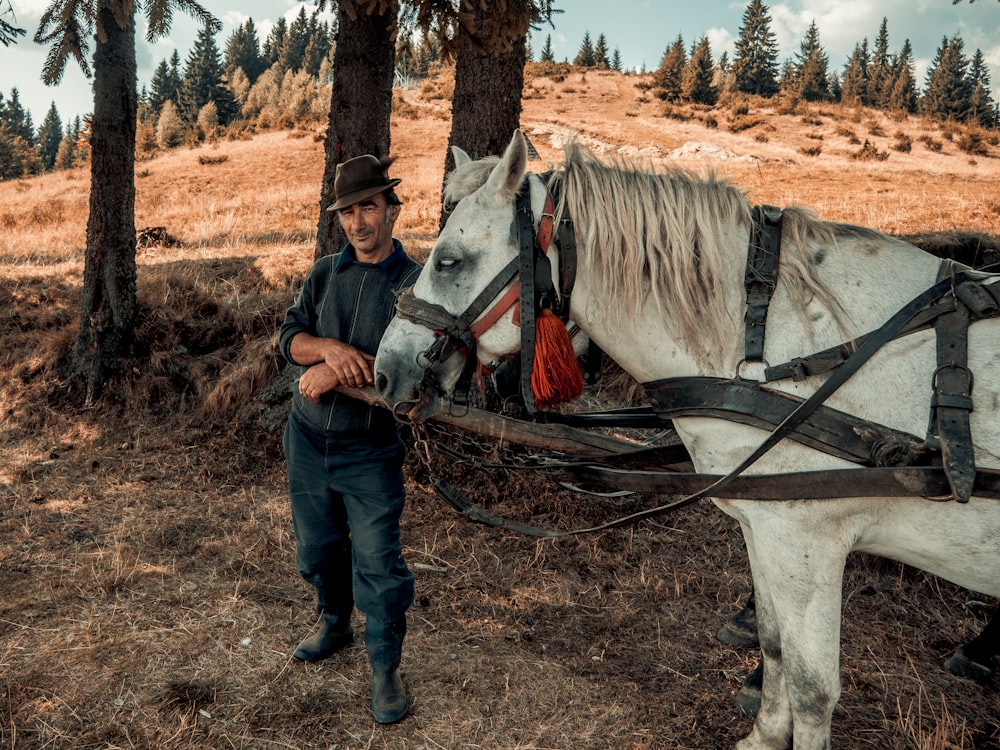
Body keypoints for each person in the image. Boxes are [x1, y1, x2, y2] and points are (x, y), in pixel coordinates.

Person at [278, 154, 421, 724]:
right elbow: (288, 337)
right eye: (348, 212)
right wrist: (328, 350)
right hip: (308, 439)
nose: (358, 222)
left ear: (391, 209)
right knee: (316, 548)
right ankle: (333, 622)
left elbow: (408, 367)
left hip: (370, 449)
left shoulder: (414, 286)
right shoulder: (323, 273)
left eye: (369, 207)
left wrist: (337, 369)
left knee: (379, 564)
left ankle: (385, 667)